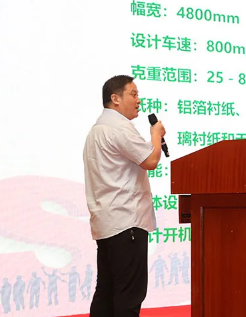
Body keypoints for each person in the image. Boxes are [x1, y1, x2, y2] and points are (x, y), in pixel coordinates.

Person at [83, 75, 166, 317]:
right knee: (128, 295)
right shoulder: (119, 127)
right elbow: (150, 160)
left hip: (108, 223)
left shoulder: (96, 130)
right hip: (126, 223)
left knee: (106, 291)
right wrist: (156, 134)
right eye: (133, 94)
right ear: (115, 98)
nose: (139, 100)